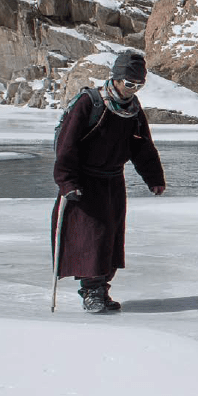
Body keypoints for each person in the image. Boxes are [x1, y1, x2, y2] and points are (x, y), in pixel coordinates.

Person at [52, 50, 166, 313]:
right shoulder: (88, 103)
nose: (133, 90)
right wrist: (67, 183)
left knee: (110, 239)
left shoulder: (133, 111)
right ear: (116, 78)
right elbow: (66, 146)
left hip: (113, 182)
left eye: (139, 85)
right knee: (90, 240)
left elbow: (143, 148)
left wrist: (154, 178)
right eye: (129, 84)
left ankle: (102, 289)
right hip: (84, 183)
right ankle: (90, 291)